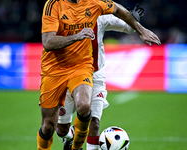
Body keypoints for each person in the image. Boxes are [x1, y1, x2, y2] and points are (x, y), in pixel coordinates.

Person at [37, 0, 161, 149]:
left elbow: (125, 23)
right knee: (58, 129)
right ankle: (68, 135)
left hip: (90, 72)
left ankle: (76, 147)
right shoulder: (54, 5)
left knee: (92, 120)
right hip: (57, 70)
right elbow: (48, 41)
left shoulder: (99, 10)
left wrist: (135, 22)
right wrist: (77, 35)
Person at [56, 4, 144, 150]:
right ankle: (70, 134)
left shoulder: (100, 17)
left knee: (94, 122)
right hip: (68, 75)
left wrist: (132, 18)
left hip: (95, 76)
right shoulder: (62, 17)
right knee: (61, 130)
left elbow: (128, 28)